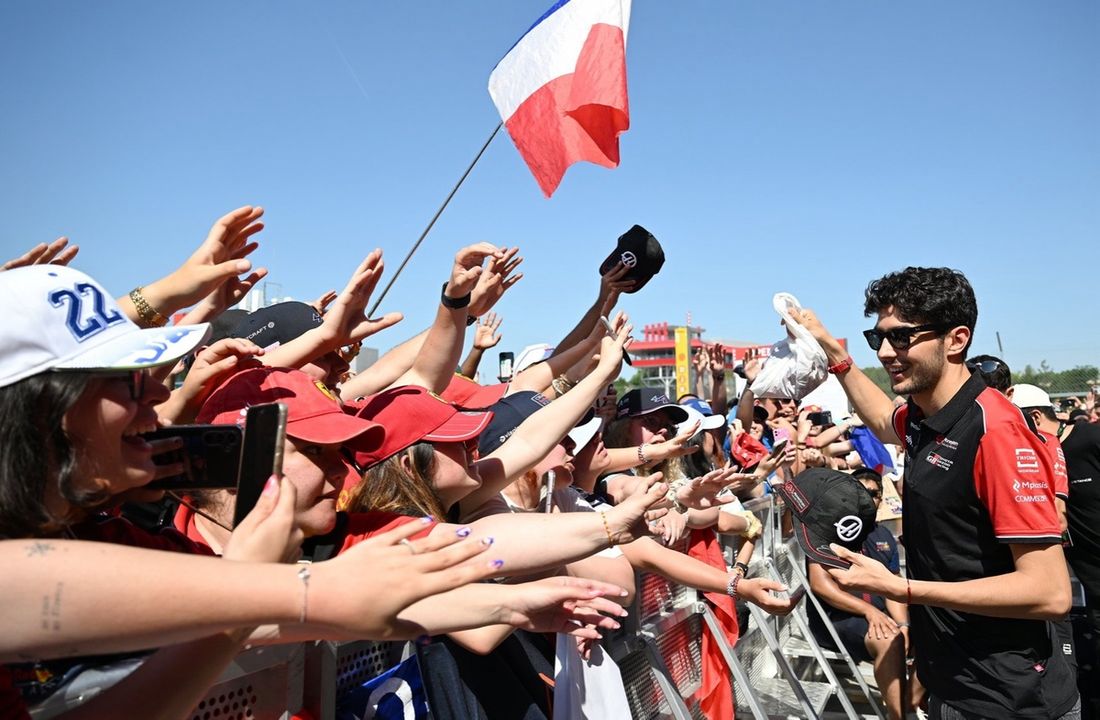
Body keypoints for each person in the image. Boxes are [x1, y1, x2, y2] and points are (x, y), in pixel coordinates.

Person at [793, 266, 1079, 719]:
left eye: (903, 337)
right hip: (954, 682)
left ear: (956, 339)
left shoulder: (995, 432)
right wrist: (833, 351)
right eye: (878, 337)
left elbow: (1050, 591)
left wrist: (902, 588)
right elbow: (886, 420)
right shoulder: (927, 416)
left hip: (1008, 698)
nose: (887, 352)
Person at [805, 468, 911, 720]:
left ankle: (910, 702)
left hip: (878, 615)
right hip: (836, 618)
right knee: (890, 639)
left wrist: (904, 624)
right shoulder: (825, 530)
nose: (867, 497)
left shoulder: (883, 534)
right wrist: (869, 611)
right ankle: (897, 717)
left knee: (936, 628)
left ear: (881, 499)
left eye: (874, 493)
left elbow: (893, 588)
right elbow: (820, 585)